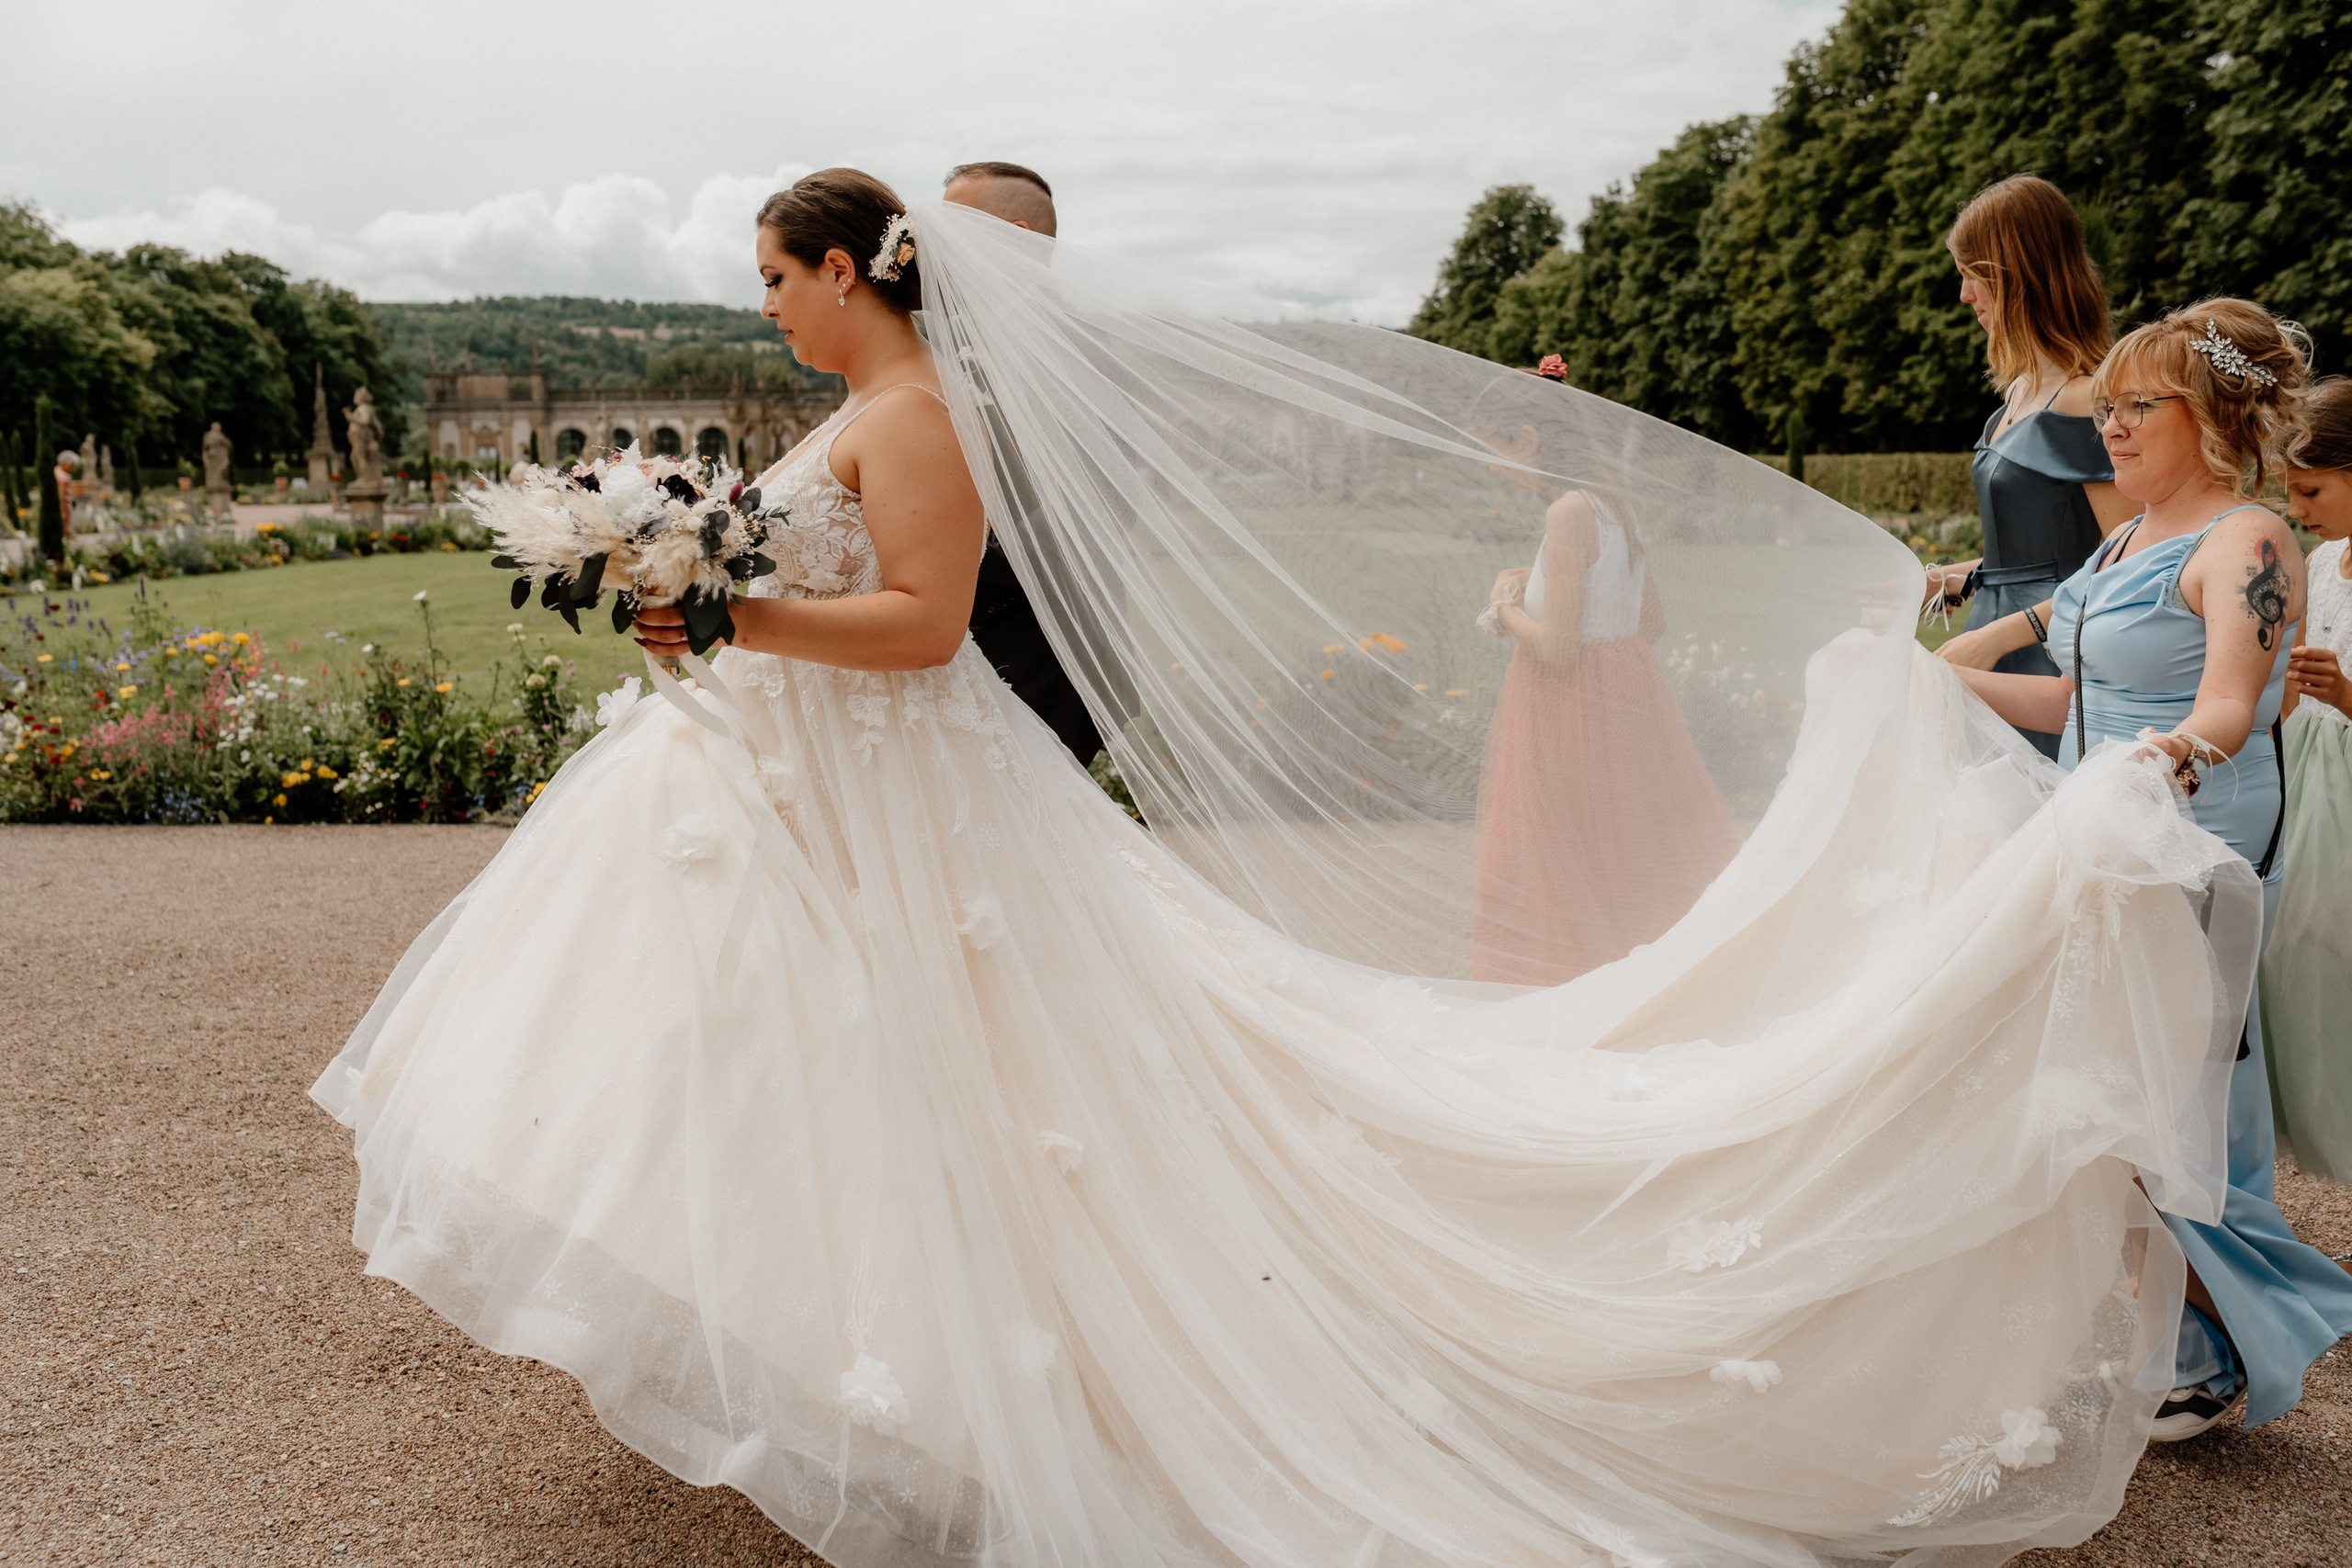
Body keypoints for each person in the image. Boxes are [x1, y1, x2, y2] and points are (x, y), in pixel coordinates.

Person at [317, 174, 2274, 1566]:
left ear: (849, 271)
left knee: (990, 1066)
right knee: (841, 1050)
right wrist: (692, 589)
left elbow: (920, 628)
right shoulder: (862, 405)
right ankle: (865, 1345)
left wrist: (721, 608)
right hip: (819, 786)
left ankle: (975, 1367)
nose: (763, 305)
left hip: (898, 779)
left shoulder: (910, 419)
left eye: (775, 275)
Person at [1951, 298, 2352, 1441]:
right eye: (2108, 407)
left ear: (2214, 416)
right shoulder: (2121, 543)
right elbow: (2065, 699)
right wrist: (1935, 675)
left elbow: (2226, 703)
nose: (2110, 426)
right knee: (2096, 1093)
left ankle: (2233, 1338)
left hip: (2188, 839)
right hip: (2093, 829)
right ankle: (2196, 1342)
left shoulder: (2249, 540)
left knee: (2168, 1099)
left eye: (2138, 406)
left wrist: (2165, 758)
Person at [1470, 367, 1738, 982]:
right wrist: (1540, 581)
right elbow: (1649, 620)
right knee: (1618, 855)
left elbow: (1558, 648)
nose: (1494, 469)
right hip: (1625, 701)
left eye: (1495, 450)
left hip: (1563, 708)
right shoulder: (1613, 502)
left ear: (1530, 438)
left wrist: (1504, 609)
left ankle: (1563, 987)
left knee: (1560, 862)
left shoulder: (1566, 511)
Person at [1926, 175, 2135, 756]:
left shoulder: (2088, 398)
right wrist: (1942, 579)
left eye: (1974, 274)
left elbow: (2129, 561)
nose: (1965, 294)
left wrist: (2001, 637)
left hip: (2050, 656)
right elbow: (2030, 556)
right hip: (1989, 641)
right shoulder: (2018, 392)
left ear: (2019, 275)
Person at [936, 160, 1107, 768]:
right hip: (962, 642)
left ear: (1017, 237)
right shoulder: (953, 339)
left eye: (956, 226)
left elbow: (1098, 504)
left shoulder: (1081, 348)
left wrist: (950, 588)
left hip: (1043, 651)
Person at [2263, 376, 2352, 1183]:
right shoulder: (2321, 565)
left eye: (2312, 490)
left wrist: (2347, 695)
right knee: (2305, 955)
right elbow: (2290, 689)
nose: (2296, 508)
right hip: (2309, 781)